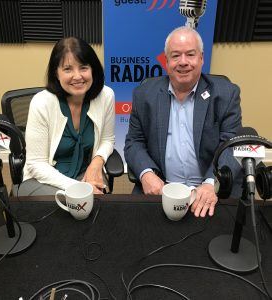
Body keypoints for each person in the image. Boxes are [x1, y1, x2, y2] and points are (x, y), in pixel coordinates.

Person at [124, 26, 242, 217]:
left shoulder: (226, 93)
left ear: (201, 58)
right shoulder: (144, 94)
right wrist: (146, 174)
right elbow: (133, 142)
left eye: (190, 54)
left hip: (209, 188)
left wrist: (211, 183)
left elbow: (231, 145)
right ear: (166, 61)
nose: (183, 62)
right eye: (176, 55)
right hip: (162, 188)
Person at [17, 37, 115, 196]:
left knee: (97, 213)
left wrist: (97, 162)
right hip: (44, 179)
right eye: (68, 69)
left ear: (93, 70)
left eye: (83, 68)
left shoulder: (106, 96)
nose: (77, 76)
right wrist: (78, 189)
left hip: (86, 176)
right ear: (56, 73)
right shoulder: (41, 103)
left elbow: (107, 140)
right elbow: (36, 164)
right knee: (64, 212)